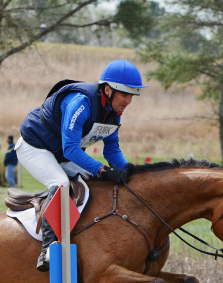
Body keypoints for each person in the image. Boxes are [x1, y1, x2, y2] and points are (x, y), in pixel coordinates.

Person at [17, 59, 147, 271]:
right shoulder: (80, 102)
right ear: (107, 90)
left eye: (132, 96)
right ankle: (48, 248)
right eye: (125, 95)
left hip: (63, 155)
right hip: (35, 147)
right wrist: (103, 170)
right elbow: (70, 149)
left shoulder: (113, 115)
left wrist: (131, 172)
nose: (128, 101)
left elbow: (111, 151)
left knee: (97, 183)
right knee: (60, 183)